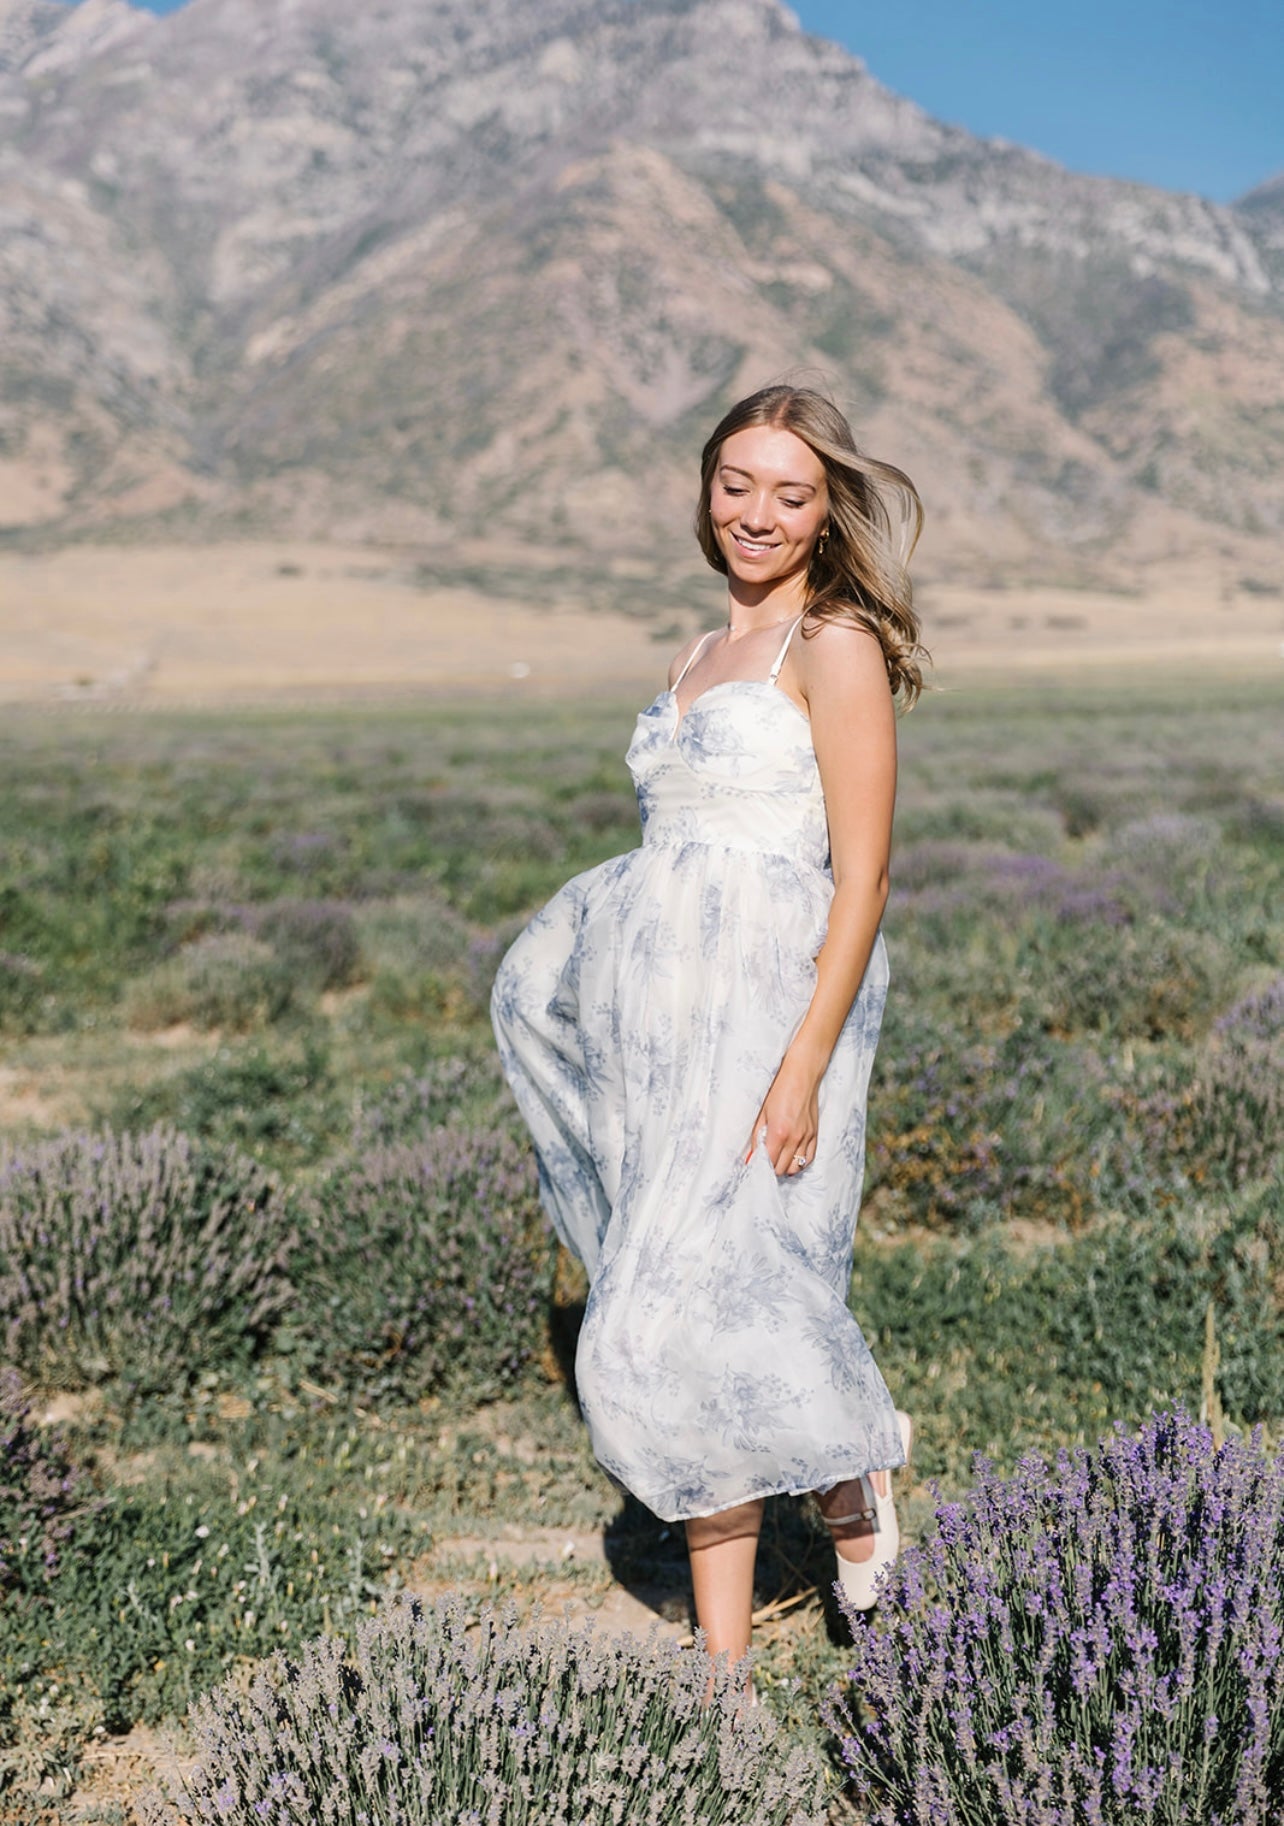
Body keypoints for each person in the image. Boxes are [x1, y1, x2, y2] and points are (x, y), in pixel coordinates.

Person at [491, 383, 926, 1676]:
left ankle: (849, 1480)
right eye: (738, 482)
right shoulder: (691, 657)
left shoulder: (831, 648)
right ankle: (724, 1678)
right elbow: (666, 862)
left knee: (753, 1298)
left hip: (777, 1025)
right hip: (665, 1041)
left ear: (825, 509)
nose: (758, 512)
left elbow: (864, 879)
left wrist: (799, 1070)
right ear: (705, 487)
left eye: (791, 493)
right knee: (668, 1318)